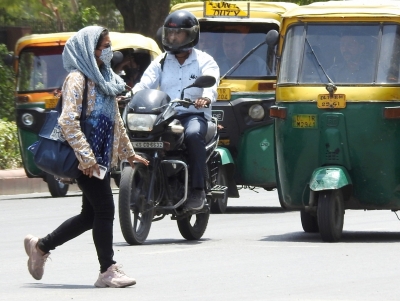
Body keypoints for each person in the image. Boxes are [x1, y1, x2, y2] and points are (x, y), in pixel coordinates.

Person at [23, 26, 149, 288]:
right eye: (102, 46)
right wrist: (87, 158)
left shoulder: (106, 80)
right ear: (87, 50)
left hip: (99, 157)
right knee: (105, 209)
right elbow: (68, 121)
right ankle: (107, 270)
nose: (107, 51)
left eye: (108, 45)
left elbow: (116, 122)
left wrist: (129, 153)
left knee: (90, 215)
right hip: (86, 158)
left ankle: (41, 246)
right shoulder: (77, 79)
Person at [132, 10, 219, 211]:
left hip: (194, 115)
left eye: (177, 34)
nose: (172, 37)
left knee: (193, 134)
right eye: (170, 34)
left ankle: (197, 189)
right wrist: (131, 94)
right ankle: (142, 181)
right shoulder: (161, 61)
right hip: (166, 115)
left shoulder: (204, 61)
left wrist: (205, 97)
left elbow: (211, 84)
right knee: (142, 135)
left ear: (190, 35)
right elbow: (144, 84)